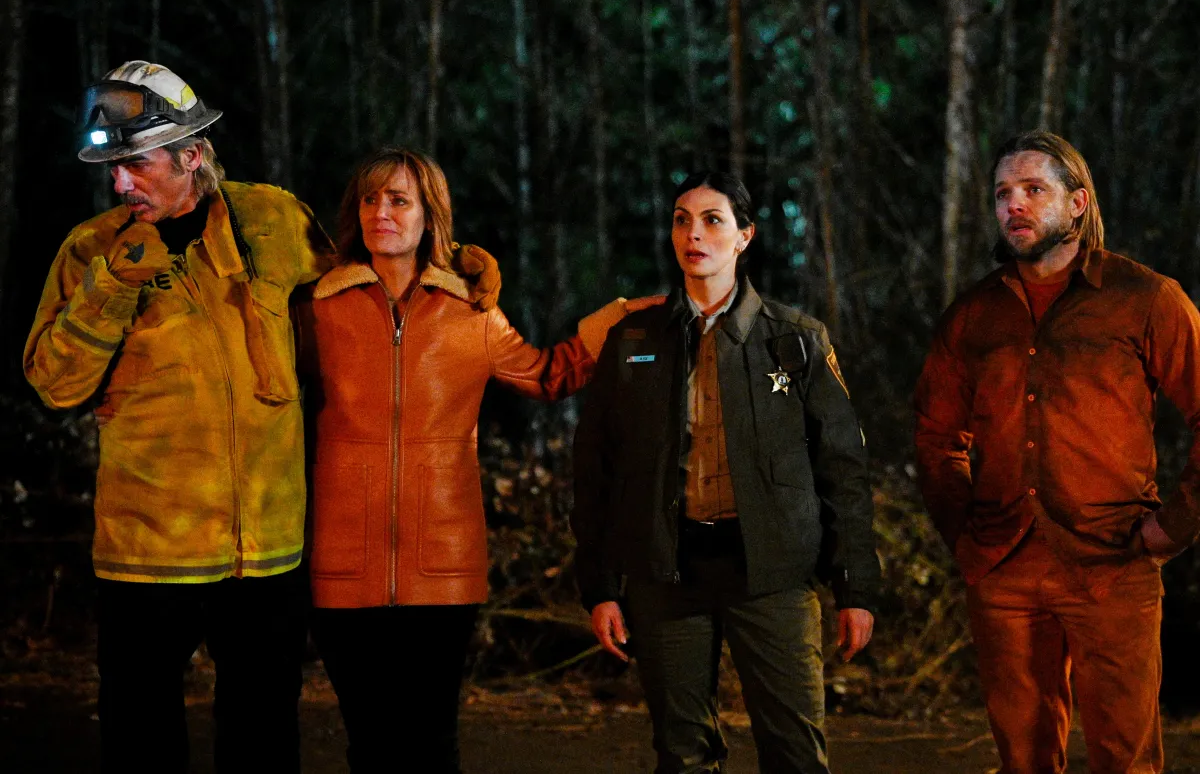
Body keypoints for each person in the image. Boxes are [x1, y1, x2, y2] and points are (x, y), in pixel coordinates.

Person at [22, 61, 494, 774]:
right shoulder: (91, 250)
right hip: (149, 554)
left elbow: (360, 294)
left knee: (263, 735)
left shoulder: (272, 219)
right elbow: (55, 386)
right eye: (113, 169)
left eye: (136, 164)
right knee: (141, 734)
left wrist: (450, 274)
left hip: (267, 552)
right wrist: (111, 285)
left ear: (191, 155)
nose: (120, 184)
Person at [298, 146, 662, 774]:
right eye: (370, 199)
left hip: (443, 567)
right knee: (369, 745)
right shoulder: (316, 309)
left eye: (399, 200)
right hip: (341, 564)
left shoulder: (472, 312)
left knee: (432, 745)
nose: (380, 212)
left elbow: (549, 375)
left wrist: (623, 318)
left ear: (430, 217)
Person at [571, 171, 879, 774]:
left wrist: (855, 587)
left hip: (773, 574)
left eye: (713, 220)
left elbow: (843, 470)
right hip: (667, 574)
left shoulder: (795, 340)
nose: (694, 234)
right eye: (681, 220)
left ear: (744, 236)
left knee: (795, 753)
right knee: (683, 754)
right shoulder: (633, 340)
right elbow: (597, 469)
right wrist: (601, 585)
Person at [914, 130, 1200, 773]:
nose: (1013, 204)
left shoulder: (1145, 299)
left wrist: (1176, 523)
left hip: (1113, 562)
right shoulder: (973, 316)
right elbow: (935, 437)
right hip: (1003, 567)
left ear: (1077, 202)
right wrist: (964, 530)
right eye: (1002, 193)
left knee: (1126, 759)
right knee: (1023, 759)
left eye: (1032, 190)